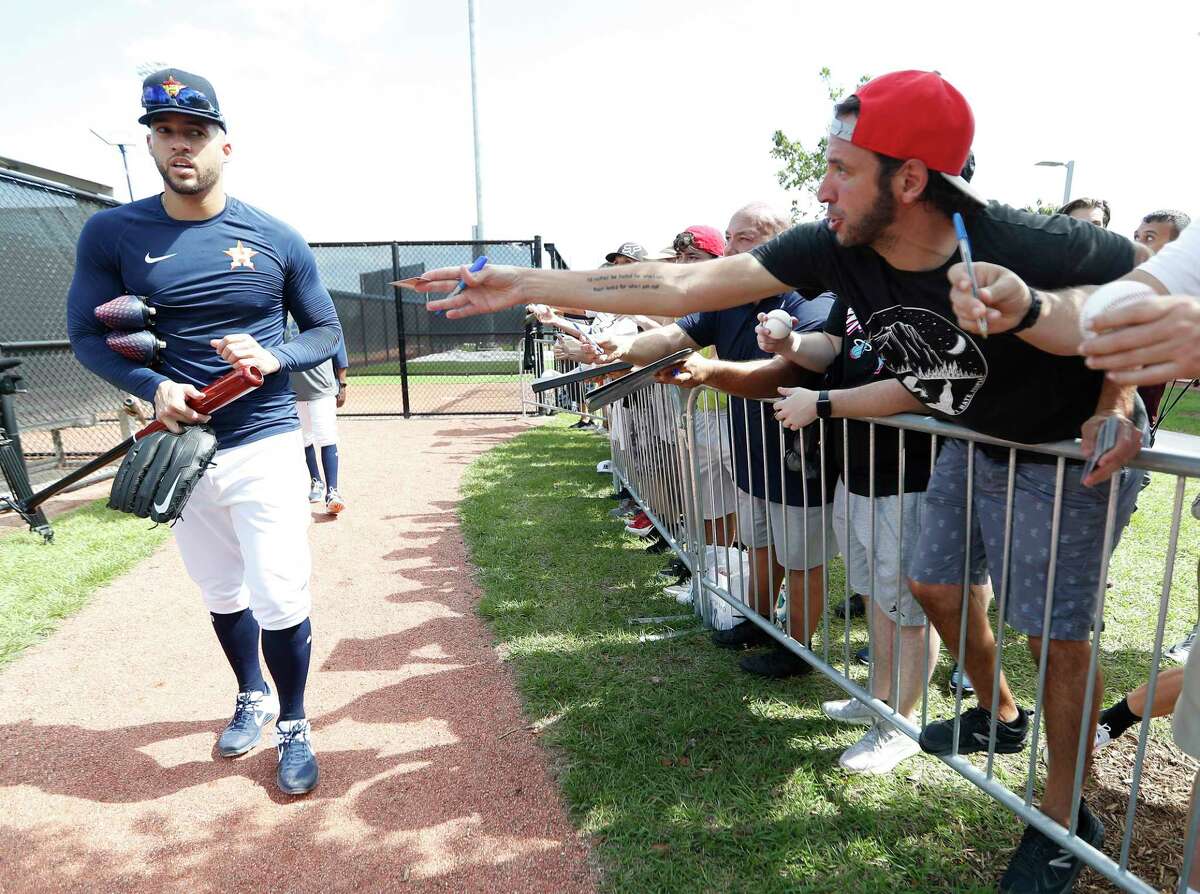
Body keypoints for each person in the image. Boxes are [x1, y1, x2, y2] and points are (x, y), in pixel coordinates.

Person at [414, 69, 1150, 892]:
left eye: (841, 167)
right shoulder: (831, 244)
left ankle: (1059, 818)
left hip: (1062, 452)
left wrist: (1118, 398)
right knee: (935, 585)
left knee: (1058, 638)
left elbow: (1138, 281)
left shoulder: (1031, 241)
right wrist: (530, 282)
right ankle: (1001, 715)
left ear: (909, 180)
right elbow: (690, 284)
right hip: (974, 438)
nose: (822, 185)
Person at [66, 68, 341, 796]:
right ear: (151, 141)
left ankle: (294, 723)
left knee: (280, 592)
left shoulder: (273, 235)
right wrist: (153, 386)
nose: (180, 145)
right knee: (220, 589)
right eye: (165, 132)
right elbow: (86, 337)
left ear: (225, 143)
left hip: (265, 438)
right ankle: (250, 692)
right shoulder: (112, 232)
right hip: (182, 449)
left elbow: (324, 330)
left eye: (195, 132)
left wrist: (273, 353)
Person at [594, 206, 836, 678]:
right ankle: (762, 623)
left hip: (799, 457)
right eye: (727, 237)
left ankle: (799, 649)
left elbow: (782, 373)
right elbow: (675, 334)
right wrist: (621, 349)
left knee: (803, 558)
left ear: (780, 243)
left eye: (742, 238)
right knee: (762, 545)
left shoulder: (810, 302)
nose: (728, 250)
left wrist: (709, 372)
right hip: (750, 448)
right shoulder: (731, 300)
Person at [288, 319, 349, 515]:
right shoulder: (278, 314)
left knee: (326, 437)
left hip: (322, 388)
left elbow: (338, 346)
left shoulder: (318, 316)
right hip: (294, 391)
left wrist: (343, 384)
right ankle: (316, 481)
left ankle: (333, 492)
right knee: (303, 439)